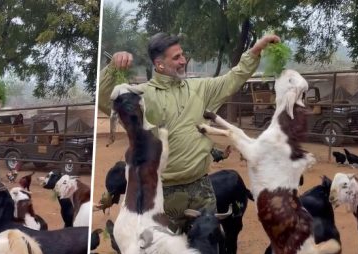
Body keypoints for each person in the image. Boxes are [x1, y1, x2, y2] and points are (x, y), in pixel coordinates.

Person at [97, 32, 280, 232]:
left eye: (182, 55)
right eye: (176, 57)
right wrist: (113, 67)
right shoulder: (142, 95)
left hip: (201, 189)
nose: (183, 60)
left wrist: (256, 50)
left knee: (206, 253)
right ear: (159, 64)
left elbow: (234, 78)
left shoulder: (201, 88)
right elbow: (106, 99)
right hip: (162, 194)